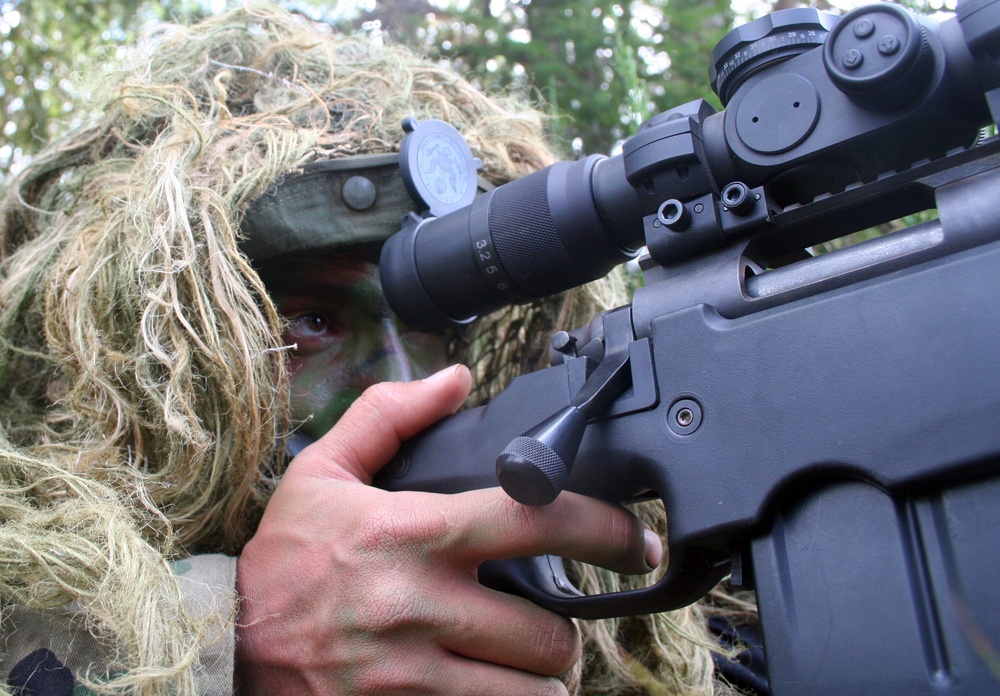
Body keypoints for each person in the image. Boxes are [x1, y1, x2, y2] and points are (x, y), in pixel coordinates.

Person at [0, 4, 748, 694]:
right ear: (149, 362)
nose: (398, 380)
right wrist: (233, 643)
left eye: (428, 324)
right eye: (314, 321)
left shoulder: (661, 617)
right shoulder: (32, 557)